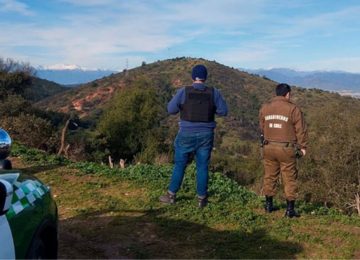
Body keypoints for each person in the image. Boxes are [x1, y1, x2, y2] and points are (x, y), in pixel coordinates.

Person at [159, 64, 228, 208]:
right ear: (205, 77)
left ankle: (171, 195)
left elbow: (170, 109)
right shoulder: (213, 92)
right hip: (206, 135)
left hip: (186, 134)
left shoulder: (184, 91)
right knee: (202, 166)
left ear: (192, 77)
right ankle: (202, 199)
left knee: (180, 165)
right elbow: (223, 111)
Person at [259, 83, 308, 218]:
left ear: (276, 93)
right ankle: (290, 210)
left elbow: (261, 127)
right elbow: (301, 130)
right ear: (287, 94)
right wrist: (303, 147)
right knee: (289, 178)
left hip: (268, 147)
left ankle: (268, 205)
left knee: (269, 176)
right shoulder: (293, 109)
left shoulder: (265, 107)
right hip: (286, 149)